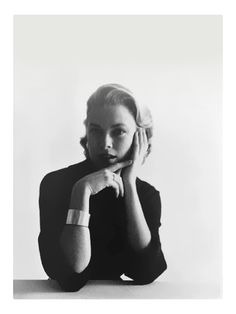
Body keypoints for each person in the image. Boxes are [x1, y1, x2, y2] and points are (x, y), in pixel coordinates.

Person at [38, 83, 167, 292]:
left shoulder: (146, 195)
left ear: (139, 139)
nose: (105, 142)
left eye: (119, 132)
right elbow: (71, 274)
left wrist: (130, 184)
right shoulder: (55, 184)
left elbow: (146, 271)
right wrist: (82, 191)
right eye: (96, 131)